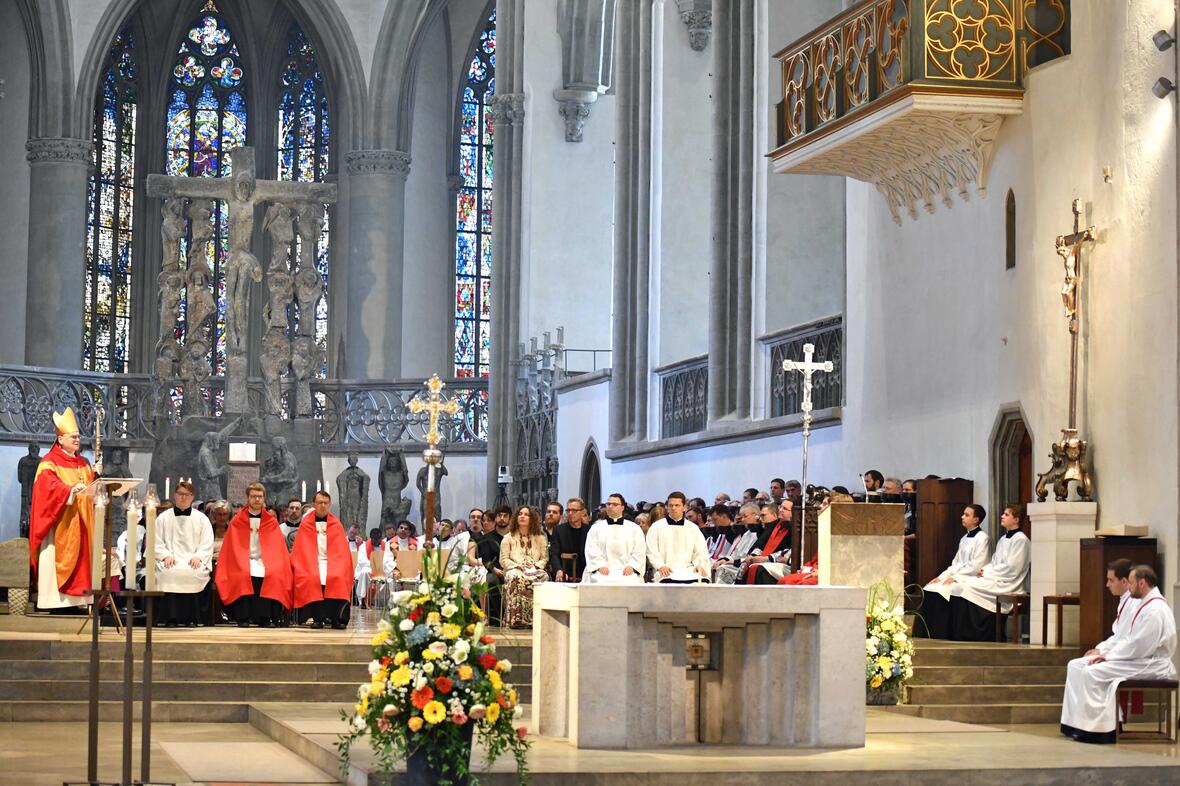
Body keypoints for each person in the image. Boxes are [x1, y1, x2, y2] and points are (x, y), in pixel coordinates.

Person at [1061, 565, 1177, 743]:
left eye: (1130, 583)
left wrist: (1107, 656)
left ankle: (1101, 729)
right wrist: (1106, 652)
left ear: (1142, 583)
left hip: (1152, 663)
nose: (1128, 587)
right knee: (1084, 666)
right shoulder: (1146, 604)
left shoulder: (1155, 610)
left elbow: (1139, 645)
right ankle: (1080, 723)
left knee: (1093, 671)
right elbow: (1129, 639)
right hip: (1140, 658)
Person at [29, 407, 98, 612]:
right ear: (60, 439)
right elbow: (46, 487)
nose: (77, 440)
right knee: (54, 561)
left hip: (82, 521)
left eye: (78, 437)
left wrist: (94, 476)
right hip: (60, 522)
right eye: (73, 437)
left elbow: (88, 489)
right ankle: (55, 601)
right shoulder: (48, 462)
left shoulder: (83, 463)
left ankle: (78, 602)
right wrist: (68, 491)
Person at [947, 504, 1031, 641]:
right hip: (996, 577)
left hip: (1009, 583)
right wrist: (985, 570)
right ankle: (964, 632)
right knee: (960, 584)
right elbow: (994, 561)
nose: (1002, 516)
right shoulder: (1003, 539)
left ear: (1016, 520)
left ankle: (977, 632)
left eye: (1007, 514)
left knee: (965, 587)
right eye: (1003, 513)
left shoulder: (1021, 540)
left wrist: (987, 573)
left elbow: (1012, 569)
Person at [214, 482, 292, 627]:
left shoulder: (271, 522)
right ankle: (243, 617)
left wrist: (273, 563)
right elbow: (230, 547)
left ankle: (265, 618)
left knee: (272, 574)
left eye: (260, 497)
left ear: (264, 499)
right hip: (242, 559)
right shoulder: (237, 521)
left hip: (265, 560)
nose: (257, 500)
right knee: (243, 573)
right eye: (253, 496)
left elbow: (278, 549)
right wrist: (241, 560)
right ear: (247, 498)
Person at [914, 504, 990, 639]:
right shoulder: (964, 538)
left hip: (971, 577)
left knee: (953, 589)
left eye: (967, 515)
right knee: (931, 587)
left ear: (976, 520)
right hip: (958, 575)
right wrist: (942, 577)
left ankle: (945, 632)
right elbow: (955, 563)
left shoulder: (982, 538)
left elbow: (976, 566)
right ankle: (929, 632)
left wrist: (956, 578)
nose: (962, 517)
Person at [154, 481, 214, 627]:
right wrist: (165, 555)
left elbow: (207, 542)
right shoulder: (163, 518)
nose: (183, 497)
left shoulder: (201, 519)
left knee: (193, 572)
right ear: (174, 495)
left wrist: (199, 556)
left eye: (186, 495)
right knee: (168, 573)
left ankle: (191, 618)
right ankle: (170, 618)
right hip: (170, 560)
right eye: (180, 494)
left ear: (192, 497)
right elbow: (155, 541)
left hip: (192, 560)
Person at [291, 491, 351, 629]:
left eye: (325, 503)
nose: (322, 506)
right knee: (313, 577)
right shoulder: (306, 524)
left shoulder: (336, 524)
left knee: (337, 576)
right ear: (314, 504)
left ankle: (337, 618)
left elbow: (342, 551)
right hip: (311, 561)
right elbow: (300, 550)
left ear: (329, 505)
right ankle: (317, 618)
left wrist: (338, 565)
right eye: (319, 503)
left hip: (333, 561)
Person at [500, 506, 549, 627]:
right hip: (514, 569)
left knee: (544, 577)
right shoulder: (508, 537)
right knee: (516, 578)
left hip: (535, 570)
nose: (522, 516)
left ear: (531, 518)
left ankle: (535, 619)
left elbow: (544, 558)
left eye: (526, 514)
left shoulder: (541, 538)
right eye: (520, 514)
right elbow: (503, 559)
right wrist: (516, 566)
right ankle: (515, 619)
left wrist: (536, 567)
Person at [646, 492, 710, 583]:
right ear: (667, 507)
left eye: (677, 505)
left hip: (689, 569)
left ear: (684, 507)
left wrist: (699, 565)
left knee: (702, 580)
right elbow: (651, 551)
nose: (674, 508)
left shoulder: (693, 528)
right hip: (666, 569)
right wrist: (660, 566)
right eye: (671, 505)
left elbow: (700, 551)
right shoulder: (656, 527)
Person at [582, 493, 645, 584]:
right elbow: (591, 550)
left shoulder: (634, 528)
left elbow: (639, 550)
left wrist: (632, 566)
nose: (610, 506)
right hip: (602, 570)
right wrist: (599, 565)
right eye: (608, 504)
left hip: (626, 570)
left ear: (622, 507)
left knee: (632, 580)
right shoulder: (596, 528)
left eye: (615, 504)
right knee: (598, 580)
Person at [712, 503, 768, 584]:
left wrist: (731, 562)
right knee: (717, 565)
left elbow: (751, 555)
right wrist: (725, 559)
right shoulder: (747, 533)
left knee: (722, 569)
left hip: (746, 564)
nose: (742, 520)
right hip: (738, 563)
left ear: (756, 515)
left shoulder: (760, 533)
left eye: (745, 516)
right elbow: (736, 553)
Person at [746, 499, 795, 584]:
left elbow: (788, 551)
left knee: (760, 569)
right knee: (749, 565)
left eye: (785, 509)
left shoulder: (795, 528)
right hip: (769, 560)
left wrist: (766, 558)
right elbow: (760, 544)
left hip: (783, 562)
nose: (780, 510)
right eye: (780, 507)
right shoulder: (773, 525)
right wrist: (755, 555)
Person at [549, 497, 591, 582]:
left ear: (582, 512)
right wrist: (558, 570)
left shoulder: (590, 530)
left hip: (586, 574)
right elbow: (554, 554)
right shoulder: (558, 530)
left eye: (574, 511)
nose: (570, 513)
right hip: (564, 573)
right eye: (568, 511)